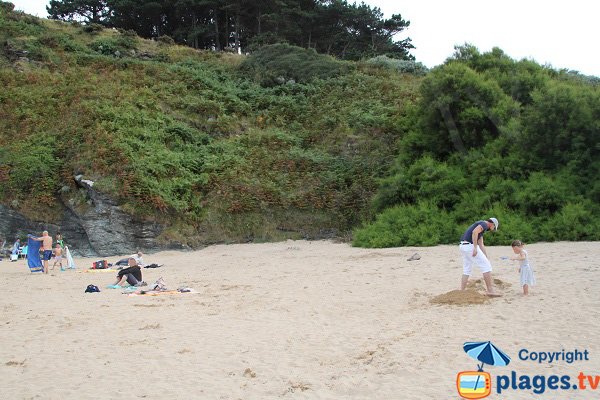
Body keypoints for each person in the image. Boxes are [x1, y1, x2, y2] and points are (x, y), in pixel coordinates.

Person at [459, 218, 500, 296]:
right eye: (494, 227)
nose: (493, 229)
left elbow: (481, 245)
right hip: (470, 246)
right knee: (486, 267)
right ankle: (490, 291)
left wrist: (486, 257)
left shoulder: (481, 228)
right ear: (492, 224)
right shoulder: (484, 224)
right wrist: (474, 248)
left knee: (467, 269)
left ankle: (462, 290)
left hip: (463, 246)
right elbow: (474, 232)